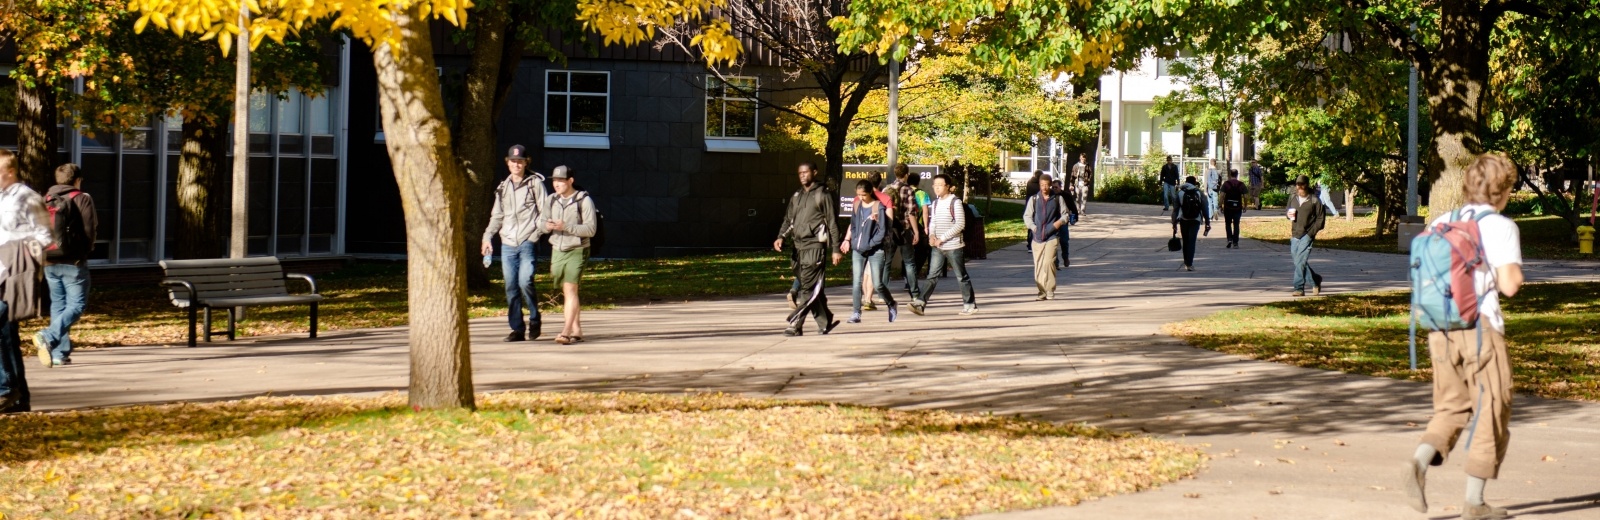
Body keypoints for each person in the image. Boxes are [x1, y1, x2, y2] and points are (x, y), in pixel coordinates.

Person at [1401, 153, 1523, 520]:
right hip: (1480, 330)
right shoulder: (1500, 226)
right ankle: (1475, 502)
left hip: (1438, 329)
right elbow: (1510, 285)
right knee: (1492, 407)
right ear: (1503, 191)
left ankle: (1419, 463)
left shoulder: (1442, 221)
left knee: (1451, 407)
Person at [0, 150, 52, 413]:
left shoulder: (27, 198)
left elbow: (45, 235)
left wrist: (18, 251)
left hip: (14, 273)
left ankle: (6, 388)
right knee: (6, 336)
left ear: (9, 172)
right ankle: (19, 397)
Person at [480, 145, 548, 342]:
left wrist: (535, 235)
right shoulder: (503, 187)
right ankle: (517, 329)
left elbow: (545, 213)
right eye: (512, 161)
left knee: (525, 281)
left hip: (528, 240)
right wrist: (487, 236)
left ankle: (535, 319)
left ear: (526, 163)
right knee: (511, 287)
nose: (516, 164)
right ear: (507, 163)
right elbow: (497, 215)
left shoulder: (535, 184)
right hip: (508, 243)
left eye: (520, 161)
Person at [34, 163, 98, 367]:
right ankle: (48, 335)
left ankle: (58, 354)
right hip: (73, 261)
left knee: (59, 305)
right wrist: (84, 252)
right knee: (77, 305)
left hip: (49, 260)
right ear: (77, 180)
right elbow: (90, 229)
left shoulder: (45, 199)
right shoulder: (82, 198)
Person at [774, 162, 842, 336]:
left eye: (806, 172)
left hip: (815, 246)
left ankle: (795, 324)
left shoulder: (822, 194)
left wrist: (836, 249)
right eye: (800, 173)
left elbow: (833, 222)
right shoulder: (796, 196)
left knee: (807, 287)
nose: (803, 175)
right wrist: (781, 236)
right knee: (809, 286)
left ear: (814, 172)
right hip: (798, 248)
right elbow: (789, 220)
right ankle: (825, 320)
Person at [540, 166, 598, 345]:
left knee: (571, 289)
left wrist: (566, 226)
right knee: (567, 291)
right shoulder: (551, 200)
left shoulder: (584, 200)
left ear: (570, 181)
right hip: (557, 249)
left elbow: (591, 230)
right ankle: (577, 330)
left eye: (561, 181)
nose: (556, 184)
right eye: (554, 181)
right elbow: (541, 223)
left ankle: (566, 331)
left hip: (577, 249)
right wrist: (547, 226)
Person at [912, 174, 976, 315]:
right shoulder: (935, 203)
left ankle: (970, 304)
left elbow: (960, 224)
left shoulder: (955, 202)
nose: (937, 188)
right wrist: (932, 236)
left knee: (961, 276)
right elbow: (933, 221)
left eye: (940, 185)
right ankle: (920, 303)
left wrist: (943, 238)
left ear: (948, 186)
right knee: (932, 275)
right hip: (938, 246)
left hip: (954, 246)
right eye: (935, 185)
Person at [841, 180, 897, 324]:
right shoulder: (857, 205)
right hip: (858, 248)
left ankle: (891, 303)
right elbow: (853, 225)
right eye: (858, 195)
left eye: (863, 195)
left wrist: (871, 244)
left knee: (878, 283)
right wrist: (849, 240)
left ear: (870, 192)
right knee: (856, 282)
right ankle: (856, 312)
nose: (860, 198)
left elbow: (883, 231)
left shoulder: (878, 207)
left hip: (875, 249)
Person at [1024, 174, 1070, 300]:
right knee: (1038, 265)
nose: (1044, 187)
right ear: (1039, 185)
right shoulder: (1034, 199)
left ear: (1050, 185)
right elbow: (1027, 216)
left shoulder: (1057, 199)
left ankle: (1050, 289)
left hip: (1052, 236)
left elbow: (1065, 215)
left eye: (1046, 185)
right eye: (1042, 185)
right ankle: (1041, 291)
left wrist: (1058, 223)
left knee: (1049, 262)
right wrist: (1033, 227)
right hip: (1037, 237)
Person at [856, 171, 894, 310]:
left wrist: (849, 239)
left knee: (865, 270)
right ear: (879, 182)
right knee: (873, 270)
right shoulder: (885, 198)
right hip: (878, 240)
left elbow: (854, 221)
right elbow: (889, 221)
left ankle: (867, 298)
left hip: (861, 240)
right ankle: (868, 299)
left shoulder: (858, 198)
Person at [887, 164, 924, 303]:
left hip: (890, 229)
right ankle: (914, 292)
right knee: (909, 262)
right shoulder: (908, 190)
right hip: (904, 229)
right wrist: (916, 231)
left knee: (887, 262)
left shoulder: (887, 189)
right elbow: (911, 213)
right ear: (906, 174)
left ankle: (882, 292)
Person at [1288, 175, 1326, 296]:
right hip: (1295, 233)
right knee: (1297, 260)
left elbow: (1321, 219)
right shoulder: (1293, 197)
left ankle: (1298, 287)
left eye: (1302, 184)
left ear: (1307, 185)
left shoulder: (1314, 200)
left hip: (1307, 234)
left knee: (1301, 261)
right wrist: (1288, 214)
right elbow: (1287, 211)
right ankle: (1315, 280)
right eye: (1298, 184)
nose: (1299, 187)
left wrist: (1311, 233)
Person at [1169, 175, 1212, 271]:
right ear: (1194, 183)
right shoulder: (1199, 193)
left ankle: (1186, 261)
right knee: (1192, 241)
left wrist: (1174, 222)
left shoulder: (1180, 193)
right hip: (1195, 220)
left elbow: (1175, 210)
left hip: (1183, 219)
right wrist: (1207, 222)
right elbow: (1205, 208)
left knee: (1185, 241)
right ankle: (1189, 263)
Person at [1219, 169, 1248, 248]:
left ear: (1230, 174)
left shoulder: (1226, 184)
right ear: (1237, 174)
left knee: (1228, 223)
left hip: (1228, 207)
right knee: (1236, 224)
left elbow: (1221, 195)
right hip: (1237, 208)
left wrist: (1220, 205)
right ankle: (1235, 242)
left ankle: (1229, 239)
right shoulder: (1241, 184)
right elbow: (1245, 196)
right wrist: (1245, 205)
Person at [1024, 170, 1044, 251]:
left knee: (1031, 225)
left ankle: (1029, 243)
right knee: (1037, 224)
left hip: (1029, 205)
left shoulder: (1030, 182)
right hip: (1037, 205)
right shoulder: (1038, 185)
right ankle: (1034, 242)